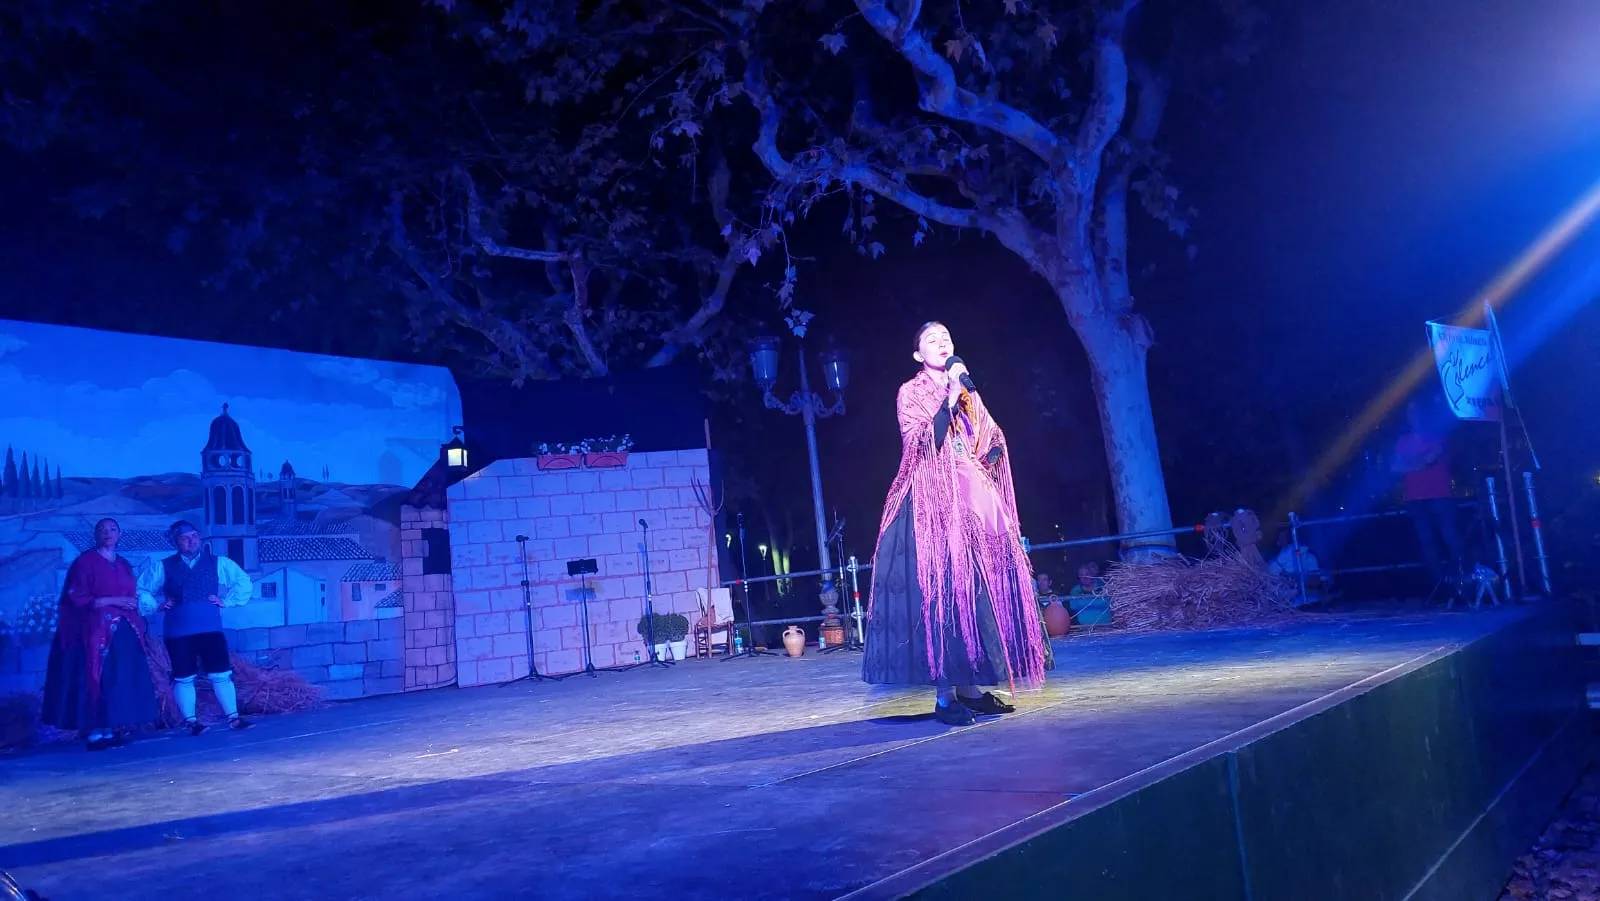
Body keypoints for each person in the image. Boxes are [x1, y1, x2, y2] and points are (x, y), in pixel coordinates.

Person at [862, 321, 1052, 726]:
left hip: (969, 496)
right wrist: (948, 399)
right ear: (918, 355)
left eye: (946, 336)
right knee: (944, 589)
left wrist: (993, 451)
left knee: (979, 590)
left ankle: (972, 689)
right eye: (932, 339)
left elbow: (988, 432)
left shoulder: (966, 388)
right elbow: (918, 444)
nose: (942, 342)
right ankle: (945, 696)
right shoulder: (911, 392)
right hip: (930, 504)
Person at [40, 518, 161, 751]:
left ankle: (111, 727)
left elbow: (131, 592)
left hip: (123, 628)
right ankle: (96, 731)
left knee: (118, 678)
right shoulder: (85, 562)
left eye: (112, 529)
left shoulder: (123, 564)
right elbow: (77, 596)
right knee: (97, 675)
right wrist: (113, 600)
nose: (108, 533)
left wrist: (134, 605)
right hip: (95, 629)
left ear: (120, 534)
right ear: (95, 534)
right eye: (102, 530)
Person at [137, 520, 254, 734]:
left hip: (210, 627)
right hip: (179, 630)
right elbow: (141, 589)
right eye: (184, 537)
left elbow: (242, 581)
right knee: (184, 675)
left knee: (220, 673)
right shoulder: (162, 566)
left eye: (194, 536)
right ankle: (192, 722)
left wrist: (226, 601)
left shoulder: (218, 562)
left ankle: (234, 718)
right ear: (176, 541)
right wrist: (157, 605)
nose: (191, 540)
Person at [1391, 398, 1465, 591]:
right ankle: (1440, 586)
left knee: (1450, 538)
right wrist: (1416, 463)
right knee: (1427, 543)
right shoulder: (1403, 441)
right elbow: (1395, 467)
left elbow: (1425, 461)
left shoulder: (1438, 435)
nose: (1414, 416)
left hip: (1439, 494)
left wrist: (1410, 464)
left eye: (1416, 411)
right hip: (1415, 498)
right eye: (1410, 412)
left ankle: (1463, 580)